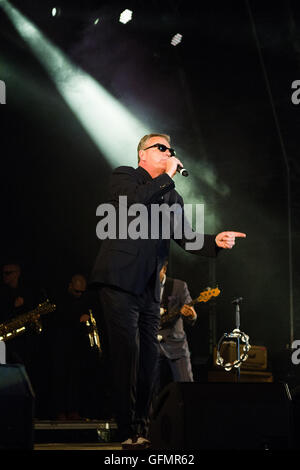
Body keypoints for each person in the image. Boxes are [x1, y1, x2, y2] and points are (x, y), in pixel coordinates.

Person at [90, 133, 246, 449]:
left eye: (171, 150)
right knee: (127, 356)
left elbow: (185, 236)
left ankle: (142, 428)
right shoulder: (125, 177)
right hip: (119, 281)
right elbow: (134, 203)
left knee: (150, 359)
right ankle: (126, 429)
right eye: (161, 148)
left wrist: (213, 241)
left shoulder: (171, 197)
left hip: (150, 289)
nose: (168, 153)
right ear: (142, 154)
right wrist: (168, 177)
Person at [51, 274, 103, 420]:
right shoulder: (61, 301)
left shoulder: (86, 301)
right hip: (61, 344)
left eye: (82, 292)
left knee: (76, 378)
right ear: (70, 287)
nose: (79, 295)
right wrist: (78, 318)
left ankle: (74, 410)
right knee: (60, 377)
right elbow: (59, 321)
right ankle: (60, 410)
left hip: (78, 347)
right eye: (77, 291)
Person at [156, 260, 196, 394]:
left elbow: (192, 315)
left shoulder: (178, 286)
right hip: (152, 346)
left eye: (157, 270)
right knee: (149, 391)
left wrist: (190, 314)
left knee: (186, 389)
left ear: (164, 269)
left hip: (176, 345)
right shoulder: (145, 287)